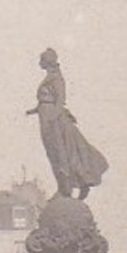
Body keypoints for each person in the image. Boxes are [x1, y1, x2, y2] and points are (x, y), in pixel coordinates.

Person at [26, 47, 110, 199]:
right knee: (53, 153)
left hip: (53, 121)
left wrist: (53, 118)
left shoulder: (57, 78)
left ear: (48, 62)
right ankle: (64, 187)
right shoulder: (50, 77)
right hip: (46, 117)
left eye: (42, 60)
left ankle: (67, 188)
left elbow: (60, 100)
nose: (39, 63)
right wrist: (35, 110)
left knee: (60, 152)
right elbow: (46, 100)